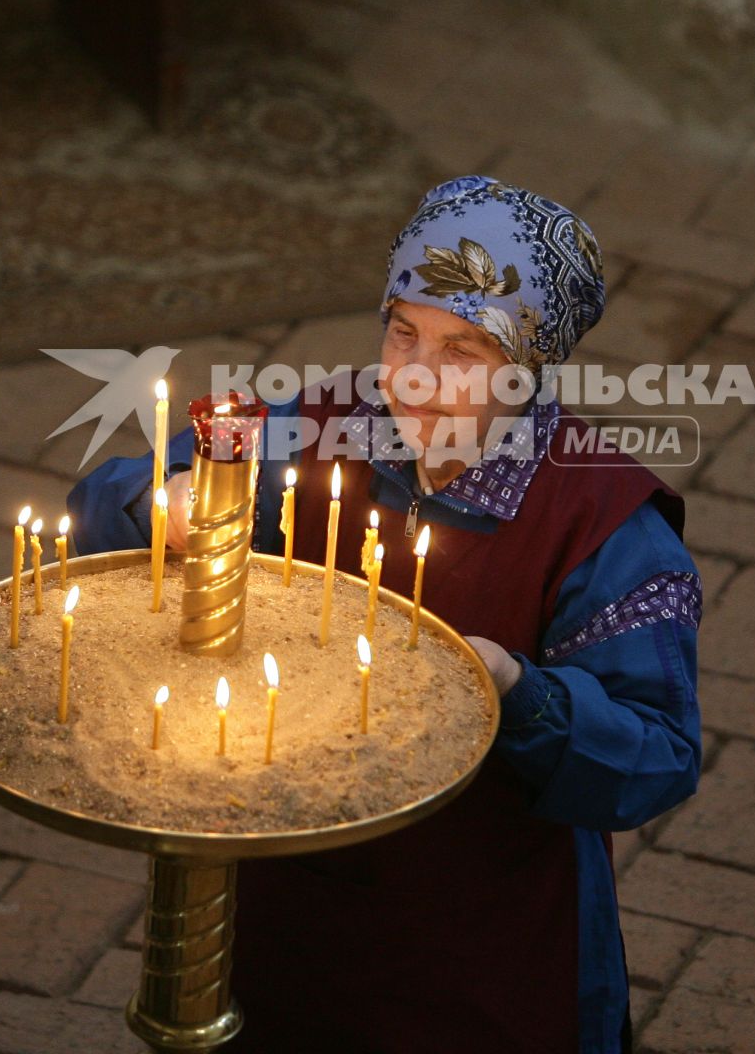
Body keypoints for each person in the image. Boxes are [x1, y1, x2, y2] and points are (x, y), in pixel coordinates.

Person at [67, 174, 702, 1053]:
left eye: (464, 352)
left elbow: (657, 756)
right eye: (403, 333)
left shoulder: (601, 529)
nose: (415, 379)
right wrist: (166, 507)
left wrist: (515, 691)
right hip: (284, 906)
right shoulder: (320, 425)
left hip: (482, 950)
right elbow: (105, 508)